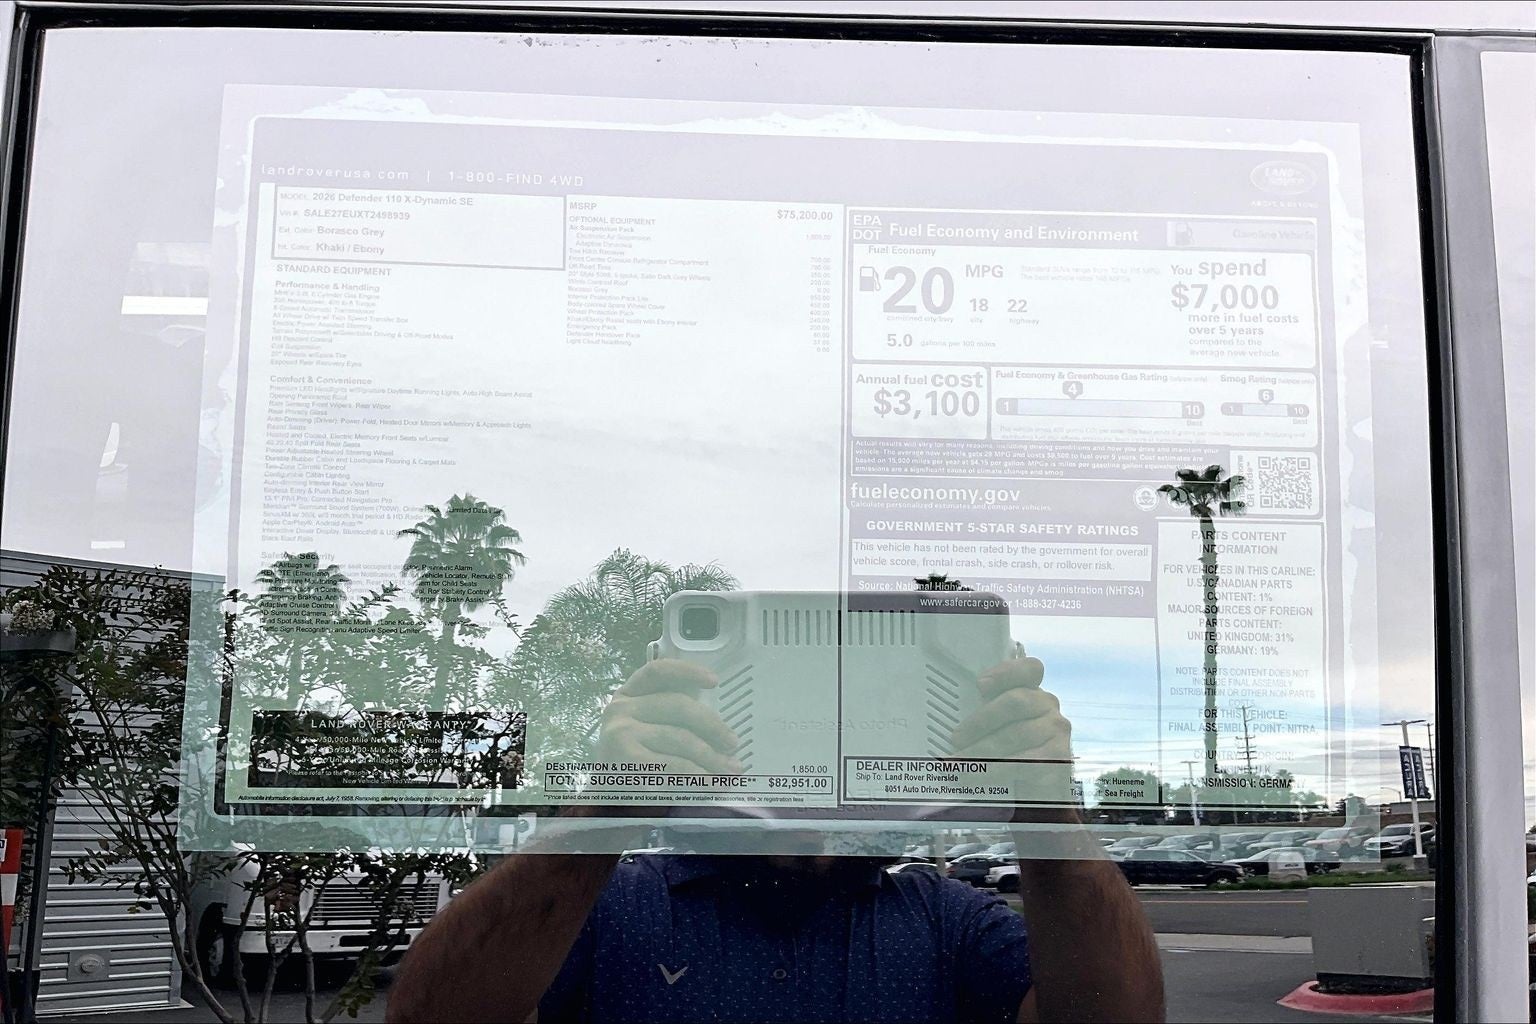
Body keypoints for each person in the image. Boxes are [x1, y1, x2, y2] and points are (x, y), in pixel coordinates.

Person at [387, 657, 1163, 1023]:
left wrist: (1046, 812)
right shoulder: (616, 904)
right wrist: (608, 806)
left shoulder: (944, 918)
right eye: (782, 737)